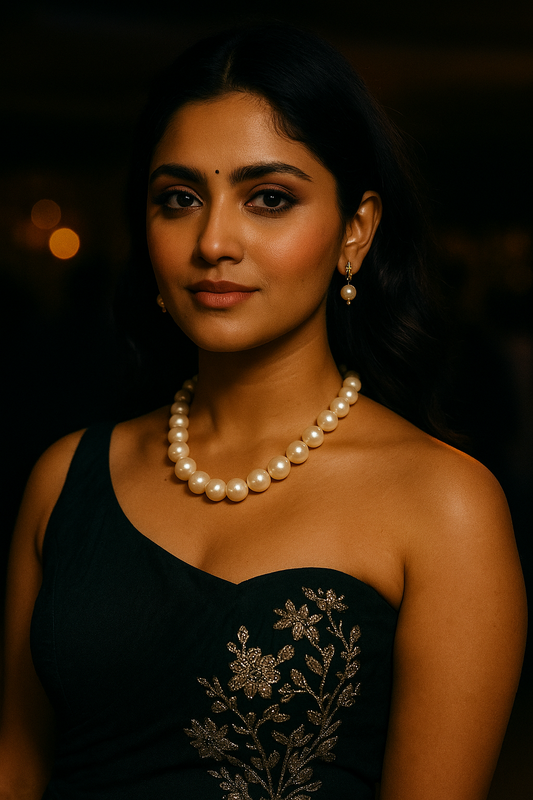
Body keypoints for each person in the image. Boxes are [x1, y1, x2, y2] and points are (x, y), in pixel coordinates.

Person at [0, 23, 527, 800]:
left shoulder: (443, 503)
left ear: (355, 232)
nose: (213, 240)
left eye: (269, 199)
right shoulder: (66, 477)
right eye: (178, 199)